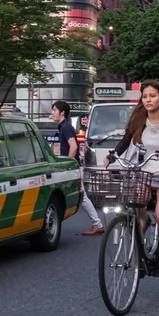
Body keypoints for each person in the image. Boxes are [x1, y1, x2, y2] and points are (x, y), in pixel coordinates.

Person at [103, 80, 159, 286]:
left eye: (152, 96)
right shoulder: (138, 118)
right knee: (134, 205)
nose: (148, 100)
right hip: (143, 172)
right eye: (145, 96)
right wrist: (112, 155)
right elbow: (125, 141)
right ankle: (143, 224)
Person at [51, 100, 104, 236]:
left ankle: (97, 224)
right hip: (73, 167)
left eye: (54, 110)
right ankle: (97, 224)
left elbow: (73, 146)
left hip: (72, 168)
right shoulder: (64, 126)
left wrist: (68, 164)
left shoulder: (66, 127)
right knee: (82, 197)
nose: (52, 113)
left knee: (82, 197)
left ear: (62, 112)